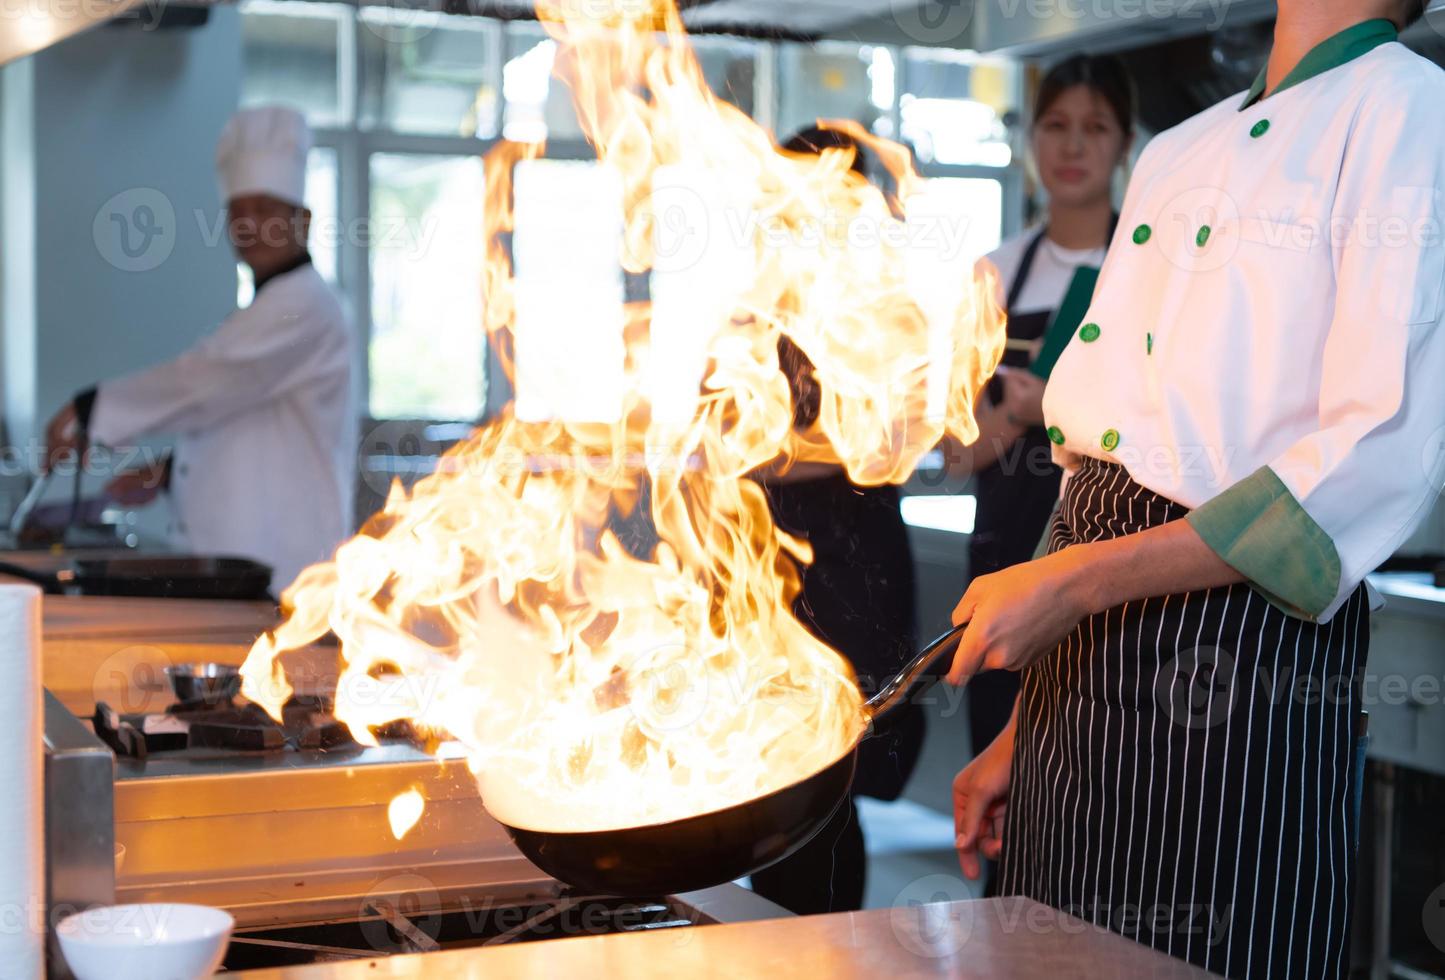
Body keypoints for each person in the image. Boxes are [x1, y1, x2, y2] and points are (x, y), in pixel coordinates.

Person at [948, 2, 1442, 977]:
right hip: (1076, 651)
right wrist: (1024, 721)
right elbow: (1105, 454)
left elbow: (1367, 451)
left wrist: (1078, 585)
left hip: (1233, 642)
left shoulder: (1408, 111)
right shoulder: (1181, 148)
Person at [45, 106, 357, 592]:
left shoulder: (305, 306)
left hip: (285, 571)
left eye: (267, 209)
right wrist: (168, 473)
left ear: (304, 219)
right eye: (239, 210)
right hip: (248, 567)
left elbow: (208, 380)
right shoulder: (267, 309)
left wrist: (90, 410)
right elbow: (242, 411)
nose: (250, 224)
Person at [954, 55, 1136, 851]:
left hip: (1117, 556)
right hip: (1004, 556)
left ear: (1125, 144)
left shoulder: (1149, 264)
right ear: (1030, 140)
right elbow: (956, 453)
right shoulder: (991, 276)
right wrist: (1017, 419)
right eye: (1056, 125)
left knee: (1098, 793)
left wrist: (1056, 406)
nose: (1073, 146)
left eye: (1094, 128)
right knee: (1003, 795)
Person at [749, 127, 925, 915]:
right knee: (766, 766)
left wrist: (761, 452)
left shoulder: (886, 308)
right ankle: (766, 938)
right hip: (766, 546)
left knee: (831, 773)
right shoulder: (758, 304)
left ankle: (820, 948)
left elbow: (885, 440)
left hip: (853, 552)